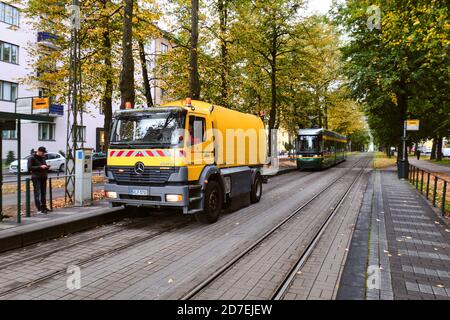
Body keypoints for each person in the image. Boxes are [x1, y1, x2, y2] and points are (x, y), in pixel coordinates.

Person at [28, 146, 49, 214]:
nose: (43, 154)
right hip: (36, 178)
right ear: (39, 151)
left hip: (43, 177)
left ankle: (44, 207)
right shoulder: (31, 158)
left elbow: (44, 166)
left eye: (44, 153)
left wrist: (46, 167)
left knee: (43, 193)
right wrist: (40, 167)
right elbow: (30, 167)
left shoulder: (43, 158)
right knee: (37, 193)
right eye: (43, 153)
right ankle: (39, 209)